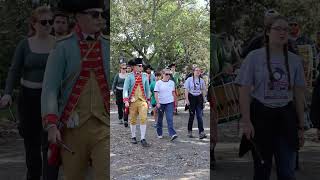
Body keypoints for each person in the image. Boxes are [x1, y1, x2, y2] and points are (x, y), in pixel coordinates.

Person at [41, 0, 109, 179]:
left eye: (102, 15)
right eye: (94, 15)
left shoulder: (108, 45)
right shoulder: (62, 47)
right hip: (72, 128)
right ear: (79, 17)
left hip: (105, 126)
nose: (100, 19)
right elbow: (50, 89)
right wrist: (51, 125)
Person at [235, 15, 305, 180]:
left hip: (286, 119)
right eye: (278, 29)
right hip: (261, 118)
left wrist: (301, 126)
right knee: (262, 170)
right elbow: (244, 90)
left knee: (287, 171)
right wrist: (246, 122)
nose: (283, 33)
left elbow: (299, 94)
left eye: (286, 29)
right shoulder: (254, 57)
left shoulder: (295, 61)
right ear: (267, 32)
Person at [0, 6, 55, 180]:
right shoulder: (25, 44)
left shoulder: (58, 44)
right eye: (43, 22)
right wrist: (7, 93)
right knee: (31, 146)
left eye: (50, 22)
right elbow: (14, 70)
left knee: (50, 144)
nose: (48, 25)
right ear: (34, 24)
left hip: (50, 99)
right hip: (28, 98)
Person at [123, 58, 150, 147]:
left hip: (143, 101)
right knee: (133, 120)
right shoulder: (129, 76)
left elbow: (147, 89)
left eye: (141, 66)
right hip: (132, 101)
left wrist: (148, 99)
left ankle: (142, 138)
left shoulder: (145, 76)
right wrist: (126, 100)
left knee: (143, 118)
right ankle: (133, 136)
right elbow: (125, 89)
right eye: (139, 66)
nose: (141, 67)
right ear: (134, 67)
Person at [154, 69, 178, 141]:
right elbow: (156, 94)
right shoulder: (158, 83)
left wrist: (175, 102)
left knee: (170, 118)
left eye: (169, 74)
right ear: (163, 74)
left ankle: (172, 134)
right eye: (166, 74)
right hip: (161, 103)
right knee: (160, 119)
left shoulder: (172, 83)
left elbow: (173, 93)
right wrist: (157, 102)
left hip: (169, 103)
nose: (168, 76)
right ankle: (159, 132)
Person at [184, 67, 207, 139]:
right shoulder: (189, 80)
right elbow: (186, 90)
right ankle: (189, 131)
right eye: (196, 70)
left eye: (199, 71)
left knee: (199, 116)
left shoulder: (202, 80)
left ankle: (201, 132)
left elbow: (203, 90)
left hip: (199, 98)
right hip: (191, 98)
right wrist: (187, 100)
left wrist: (204, 100)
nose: (198, 72)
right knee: (192, 115)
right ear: (193, 71)